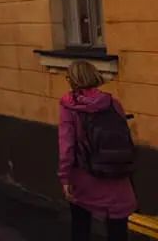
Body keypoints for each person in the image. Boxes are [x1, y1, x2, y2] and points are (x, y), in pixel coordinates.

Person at [58, 60, 137, 241]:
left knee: (81, 226)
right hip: (115, 174)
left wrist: (65, 177)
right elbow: (124, 137)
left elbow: (67, 145)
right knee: (117, 228)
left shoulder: (68, 105)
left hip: (85, 175)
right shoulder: (112, 102)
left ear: (73, 79)